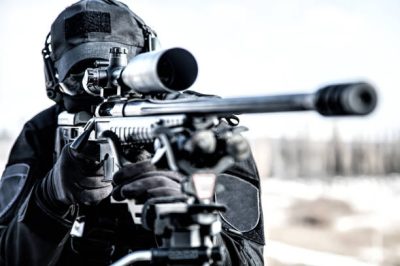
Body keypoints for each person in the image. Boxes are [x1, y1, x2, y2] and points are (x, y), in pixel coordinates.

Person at [0, 0, 265, 265]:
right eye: (80, 78)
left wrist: (191, 224)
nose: (102, 93)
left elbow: (249, 259)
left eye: (120, 75)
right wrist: (48, 198)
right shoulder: (42, 133)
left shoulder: (200, 127)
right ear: (55, 79)